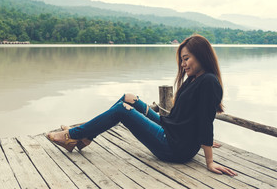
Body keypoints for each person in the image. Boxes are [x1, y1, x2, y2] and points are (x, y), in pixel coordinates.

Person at [47, 34, 237, 176]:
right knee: (128, 98)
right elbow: (190, 117)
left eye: (186, 58)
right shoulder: (195, 79)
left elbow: (205, 120)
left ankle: (72, 136)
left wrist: (209, 161)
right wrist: (202, 138)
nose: (183, 64)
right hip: (171, 130)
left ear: (201, 55)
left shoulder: (209, 82)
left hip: (175, 147)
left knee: (122, 110)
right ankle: (86, 136)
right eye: (181, 60)